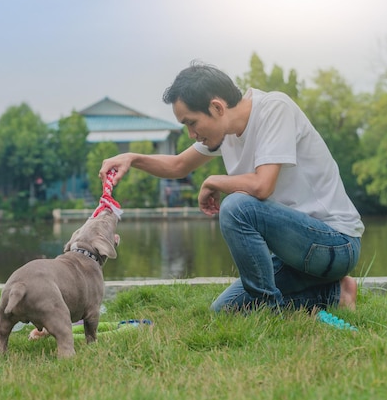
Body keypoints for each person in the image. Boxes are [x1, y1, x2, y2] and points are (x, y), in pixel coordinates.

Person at [99, 62, 364, 313]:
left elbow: (262, 186)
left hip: (336, 244)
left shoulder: (274, 108)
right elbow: (178, 165)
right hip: (295, 252)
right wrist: (132, 159)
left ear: (217, 107)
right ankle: (335, 293)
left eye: (192, 122)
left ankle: (267, 311)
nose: (191, 134)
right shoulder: (223, 133)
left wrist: (214, 181)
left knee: (237, 206)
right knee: (225, 310)